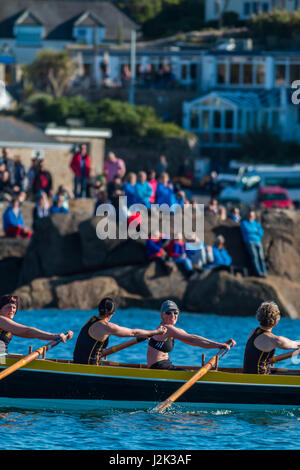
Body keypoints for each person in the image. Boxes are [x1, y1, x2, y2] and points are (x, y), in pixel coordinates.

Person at [73, 297, 167, 365]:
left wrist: (139, 339)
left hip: (77, 364)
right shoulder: (106, 326)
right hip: (91, 368)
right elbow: (133, 332)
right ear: (112, 313)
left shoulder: (91, 320)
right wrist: (156, 332)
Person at [147, 300, 235, 370]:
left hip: (165, 366)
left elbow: (192, 340)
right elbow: (192, 339)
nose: (173, 315)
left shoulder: (174, 330)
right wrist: (218, 345)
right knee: (187, 373)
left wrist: (220, 344)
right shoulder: (166, 329)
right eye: (169, 312)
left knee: (187, 372)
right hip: (158, 368)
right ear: (162, 315)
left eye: (175, 312)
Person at [0, 294, 73, 356]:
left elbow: (28, 335)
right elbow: (27, 331)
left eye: (14, 307)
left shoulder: (8, 325)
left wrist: (55, 337)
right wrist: (54, 336)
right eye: (9, 307)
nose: (12, 310)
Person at [243, 301, 300, 375]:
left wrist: (269, 358)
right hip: (261, 379)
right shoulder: (274, 339)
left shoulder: (255, 331)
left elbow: (255, 356)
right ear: (276, 321)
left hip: (248, 374)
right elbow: (296, 345)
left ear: (259, 317)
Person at [240, 210, 267, 277]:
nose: (250, 217)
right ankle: (259, 273)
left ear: (254, 216)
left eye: (252, 215)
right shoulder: (244, 223)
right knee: (255, 257)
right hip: (249, 242)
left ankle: (264, 272)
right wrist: (255, 231)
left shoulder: (257, 224)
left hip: (258, 241)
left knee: (261, 257)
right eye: (249, 215)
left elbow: (261, 233)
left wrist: (252, 231)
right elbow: (247, 230)